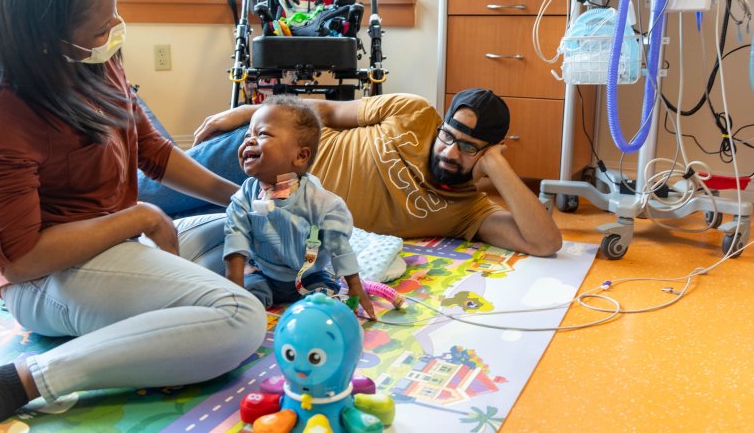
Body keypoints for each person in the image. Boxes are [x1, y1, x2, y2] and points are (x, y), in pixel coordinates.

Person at [0, 0, 265, 433]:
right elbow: (20, 258)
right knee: (240, 319)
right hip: (48, 276)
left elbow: (153, 152)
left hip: (119, 246)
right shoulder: (6, 107)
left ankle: (164, 324)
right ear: (48, 39)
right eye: (101, 27)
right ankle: (14, 382)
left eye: (115, 16)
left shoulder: (97, 59)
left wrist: (243, 200)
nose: (115, 33)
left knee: (238, 226)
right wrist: (141, 217)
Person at [148, 89, 562, 261]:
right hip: (266, 150)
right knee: (132, 191)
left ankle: (134, 113)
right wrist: (246, 114)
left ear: (488, 153)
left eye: (468, 149)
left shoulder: (468, 211)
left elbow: (545, 243)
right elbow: (324, 111)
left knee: (162, 224)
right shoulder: (413, 112)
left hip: (270, 212)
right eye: (447, 137)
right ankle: (127, 108)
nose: (450, 152)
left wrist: (498, 166)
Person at [223, 95, 375, 318]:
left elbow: (338, 246)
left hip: (309, 277)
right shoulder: (245, 195)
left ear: (300, 156)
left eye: (262, 134)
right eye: (248, 135)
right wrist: (234, 292)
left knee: (325, 299)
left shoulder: (322, 203)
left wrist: (354, 284)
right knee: (247, 301)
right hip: (263, 274)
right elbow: (235, 239)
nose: (249, 140)